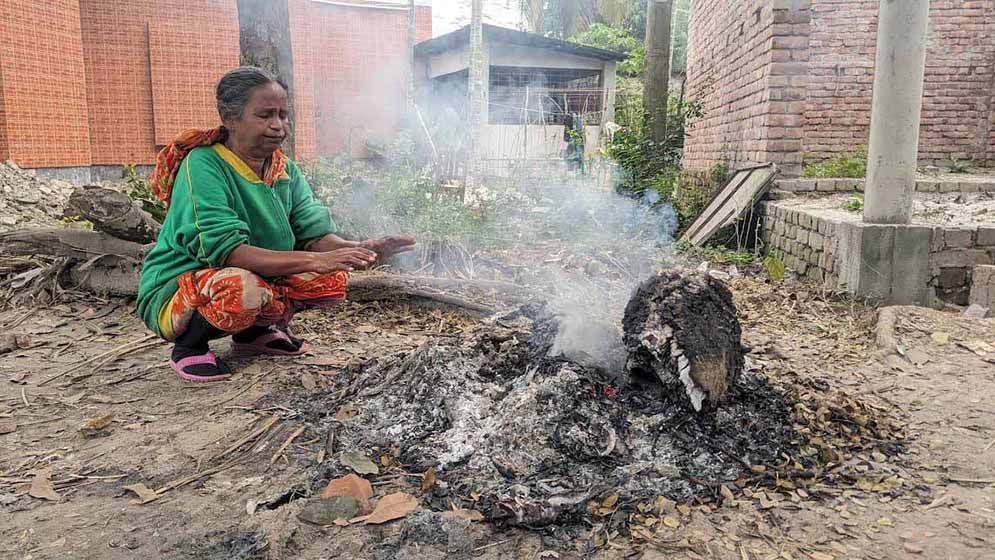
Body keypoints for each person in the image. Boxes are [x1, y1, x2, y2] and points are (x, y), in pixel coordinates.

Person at [137, 66, 415, 382]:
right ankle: (189, 346)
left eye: (283, 115)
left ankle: (254, 334)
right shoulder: (203, 165)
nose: (278, 126)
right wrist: (317, 259)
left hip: (249, 274)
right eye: (265, 115)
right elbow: (226, 251)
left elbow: (313, 233)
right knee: (241, 288)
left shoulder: (284, 169)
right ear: (230, 118)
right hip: (178, 287)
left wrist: (359, 249)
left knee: (330, 277)